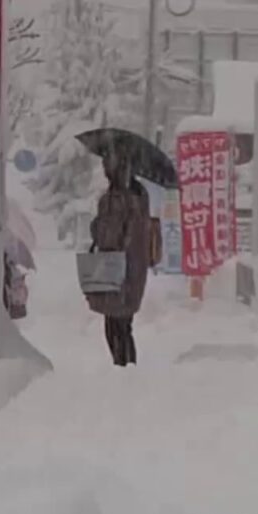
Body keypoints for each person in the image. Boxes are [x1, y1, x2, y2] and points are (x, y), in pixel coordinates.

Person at [88, 151, 152, 365]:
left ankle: (123, 367)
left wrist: (100, 226)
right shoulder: (136, 195)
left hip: (119, 266)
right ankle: (125, 366)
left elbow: (109, 234)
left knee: (116, 324)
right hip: (129, 266)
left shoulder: (120, 199)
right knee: (120, 323)